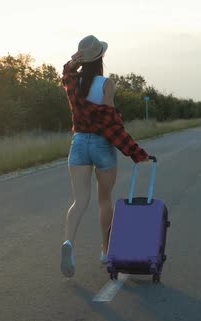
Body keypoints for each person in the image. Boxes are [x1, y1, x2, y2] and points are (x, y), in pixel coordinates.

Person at [60, 35, 150, 277]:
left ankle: (68, 243)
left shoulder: (73, 83)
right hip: (101, 145)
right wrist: (137, 153)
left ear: (82, 59)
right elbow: (112, 126)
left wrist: (72, 62)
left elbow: (66, 72)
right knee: (104, 200)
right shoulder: (106, 84)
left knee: (79, 202)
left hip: (78, 143)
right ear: (102, 57)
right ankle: (104, 249)